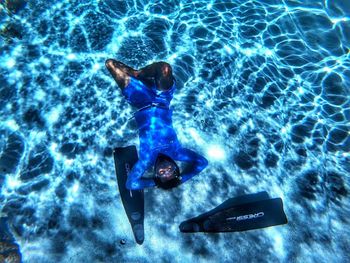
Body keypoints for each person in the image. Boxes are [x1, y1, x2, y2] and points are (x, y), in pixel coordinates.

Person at [105, 59, 208, 190]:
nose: (166, 169)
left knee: (110, 64)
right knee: (164, 68)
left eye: (162, 173)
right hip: (163, 100)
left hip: (140, 101)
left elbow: (131, 185)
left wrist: (156, 183)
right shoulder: (177, 153)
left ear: (155, 174)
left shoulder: (146, 161)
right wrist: (180, 179)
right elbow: (203, 163)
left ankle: (142, 79)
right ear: (176, 168)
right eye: (172, 171)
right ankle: (138, 74)